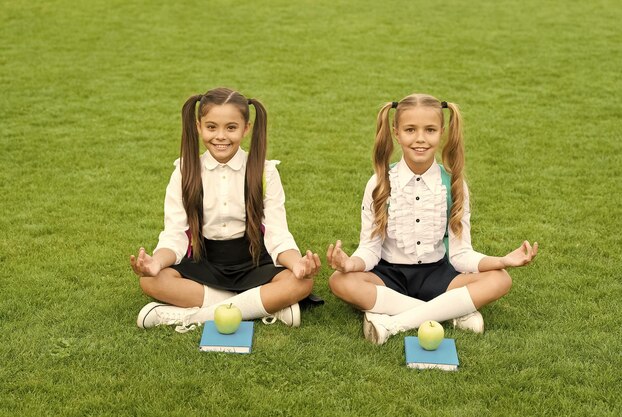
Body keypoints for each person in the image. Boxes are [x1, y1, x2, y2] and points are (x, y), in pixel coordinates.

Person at [327, 93, 538, 345]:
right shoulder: (379, 183)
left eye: (429, 130)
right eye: (410, 130)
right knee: (340, 281)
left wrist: (501, 260)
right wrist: (350, 264)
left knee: (501, 278)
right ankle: (449, 313)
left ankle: (393, 321)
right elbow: (370, 249)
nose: (420, 139)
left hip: (438, 275)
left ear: (442, 131)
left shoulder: (454, 185)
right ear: (396, 132)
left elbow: (461, 255)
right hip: (388, 276)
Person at [130, 87, 320, 331]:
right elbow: (175, 234)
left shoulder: (265, 171)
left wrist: (297, 264)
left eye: (231, 128)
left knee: (302, 283)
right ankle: (261, 305)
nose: (221, 136)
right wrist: (156, 263)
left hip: (253, 260)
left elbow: (277, 233)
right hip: (204, 260)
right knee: (152, 281)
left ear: (246, 129)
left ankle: (192, 317)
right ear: (199, 127)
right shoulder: (184, 171)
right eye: (211, 127)